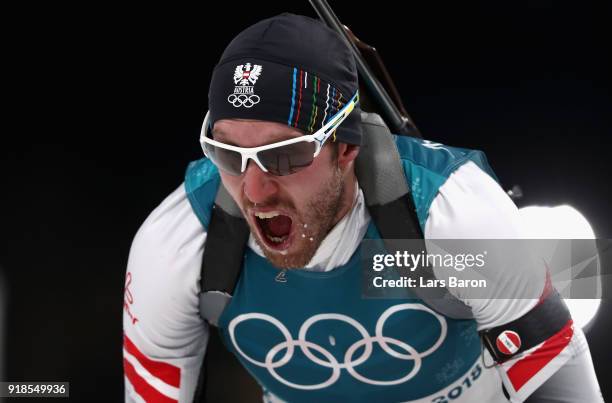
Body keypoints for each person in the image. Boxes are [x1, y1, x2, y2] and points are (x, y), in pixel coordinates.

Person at [122, 13, 603, 403]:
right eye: (227, 154)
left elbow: (561, 384)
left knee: (561, 260)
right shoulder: (179, 246)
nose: (254, 190)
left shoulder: (450, 218)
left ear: (346, 148)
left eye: (285, 155)